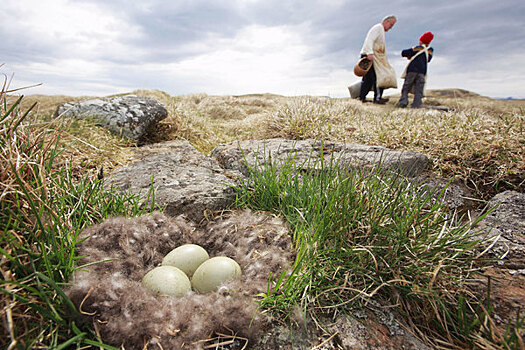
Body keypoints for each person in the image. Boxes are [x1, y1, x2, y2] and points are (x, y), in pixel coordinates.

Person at [359, 15, 397, 104]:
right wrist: (369, 53)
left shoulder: (381, 30)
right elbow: (370, 40)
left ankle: (370, 97)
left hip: (375, 57)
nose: (391, 28)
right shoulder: (378, 28)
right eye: (391, 25)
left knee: (375, 78)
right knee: (370, 78)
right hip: (370, 56)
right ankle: (366, 98)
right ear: (386, 22)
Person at [397, 32, 434, 108]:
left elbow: (404, 53)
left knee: (406, 87)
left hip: (412, 70)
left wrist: (410, 55)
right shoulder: (430, 50)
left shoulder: (417, 48)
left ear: (422, 41)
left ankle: (403, 102)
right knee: (419, 89)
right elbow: (428, 59)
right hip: (422, 72)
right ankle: (416, 105)